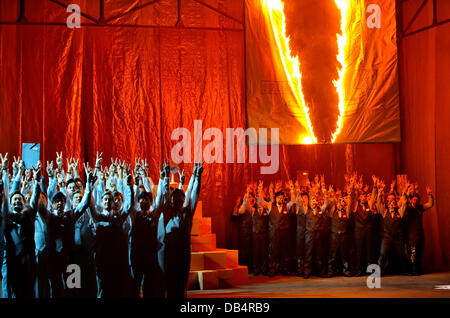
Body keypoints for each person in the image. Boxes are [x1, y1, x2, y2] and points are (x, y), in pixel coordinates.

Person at [36, 173, 94, 297]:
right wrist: (37, 182)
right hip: (54, 259)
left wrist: (88, 184)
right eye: (56, 201)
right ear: (52, 205)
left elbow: (84, 204)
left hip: (70, 259)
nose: (59, 204)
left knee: (73, 289)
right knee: (55, 289)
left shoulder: (70, 216)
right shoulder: (48, 217)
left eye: (62, 201)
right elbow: (39, 206)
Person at [156, 161, 204, 298]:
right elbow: (163, 197)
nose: (176, 201)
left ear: (183, 200)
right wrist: (165, 177)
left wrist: (197, 177)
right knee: (169, 284)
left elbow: (194, 195)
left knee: (181, 284)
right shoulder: (166, 213)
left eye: (179, 199)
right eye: (174, 199)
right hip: (168, 254)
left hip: (183, 253)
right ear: (171, 201)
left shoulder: (187, 213)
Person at [90, 173, 134, 298]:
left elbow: (129, 205)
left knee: (117, 289)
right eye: (105, 199)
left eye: (110, 199)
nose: (108, 201)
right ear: (102, 202)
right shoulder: (97, 217)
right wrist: (90, 185)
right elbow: (90, 205)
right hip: (102, 260)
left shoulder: (119, 217)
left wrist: (128, 186)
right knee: (102, 290)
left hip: (117, 259)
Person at [1, 161, 41, 298]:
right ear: (11, 204)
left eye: (20, 199)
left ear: (24, 203)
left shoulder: (29, 215)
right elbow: (5, 199)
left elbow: (35, 199)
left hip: (27, 260)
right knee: (11, 292)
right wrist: (7, 173)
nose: (17, 201)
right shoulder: (8, 216)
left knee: (28, 291)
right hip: (12, 261)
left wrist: (36, 181)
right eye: (15, 200)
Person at [377, 181, 407, 275]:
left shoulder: (400, 212)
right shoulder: (385, 212)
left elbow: (405, 202)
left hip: (398, 237)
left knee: (401, 254)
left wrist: (404, 193)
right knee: (383, 254)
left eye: (394, 202)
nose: (392, 203)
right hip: (387, 237)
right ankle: (379, 272)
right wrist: (379, 193)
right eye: (390, 202)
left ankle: (404, 271)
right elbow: (378, 204)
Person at [404, 184, 434, 275]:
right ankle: (412, 270)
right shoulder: (407, 208)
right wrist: (406, 191)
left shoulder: (420, 207)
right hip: (411, 235)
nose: (415, 201)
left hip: (420, 234)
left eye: (417, 200)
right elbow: (404, 200)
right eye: (413, 199)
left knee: (419, 252)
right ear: (410, 200)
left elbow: (430, 204)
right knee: (412, 252)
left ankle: (417, 268)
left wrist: (429, 195)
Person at [303, 185, 329, 278]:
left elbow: (326, 205)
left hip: (319, 234)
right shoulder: (307, 209)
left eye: (315, 200)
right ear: (310, 202)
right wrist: (310, 190)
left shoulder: (320, 210)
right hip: (309, 234)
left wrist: (325, 195)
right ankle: (306, 272)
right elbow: (300, 202)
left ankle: (321, 272)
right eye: (312, 200)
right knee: (308, 253)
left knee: (319, 254)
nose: (314, 202)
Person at [352, 176, 377, 276]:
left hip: (368, 231)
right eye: (361, 196)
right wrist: (354, 186)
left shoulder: (369, 205)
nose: (363, 198)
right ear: (359, 198)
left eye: (365, 196)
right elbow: (353, 197)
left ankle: (370, 270)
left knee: (369, 251)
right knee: (359, 251)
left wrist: (374, 186)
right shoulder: (355, 206)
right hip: (358, 232)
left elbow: (374, 197)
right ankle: (358, 270)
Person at [327, 185, 354, 277]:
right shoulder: (332, 212)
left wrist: (350, 195)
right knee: (332, 254)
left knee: (344, 254)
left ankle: (346, 270)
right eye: (339, 203)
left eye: (342, 203)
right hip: (334, 235)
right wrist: (333, 194)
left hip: (343, 236)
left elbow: (350, 204)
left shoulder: (346, 212)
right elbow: (334, 202)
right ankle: (330, 270)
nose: (340, 204)